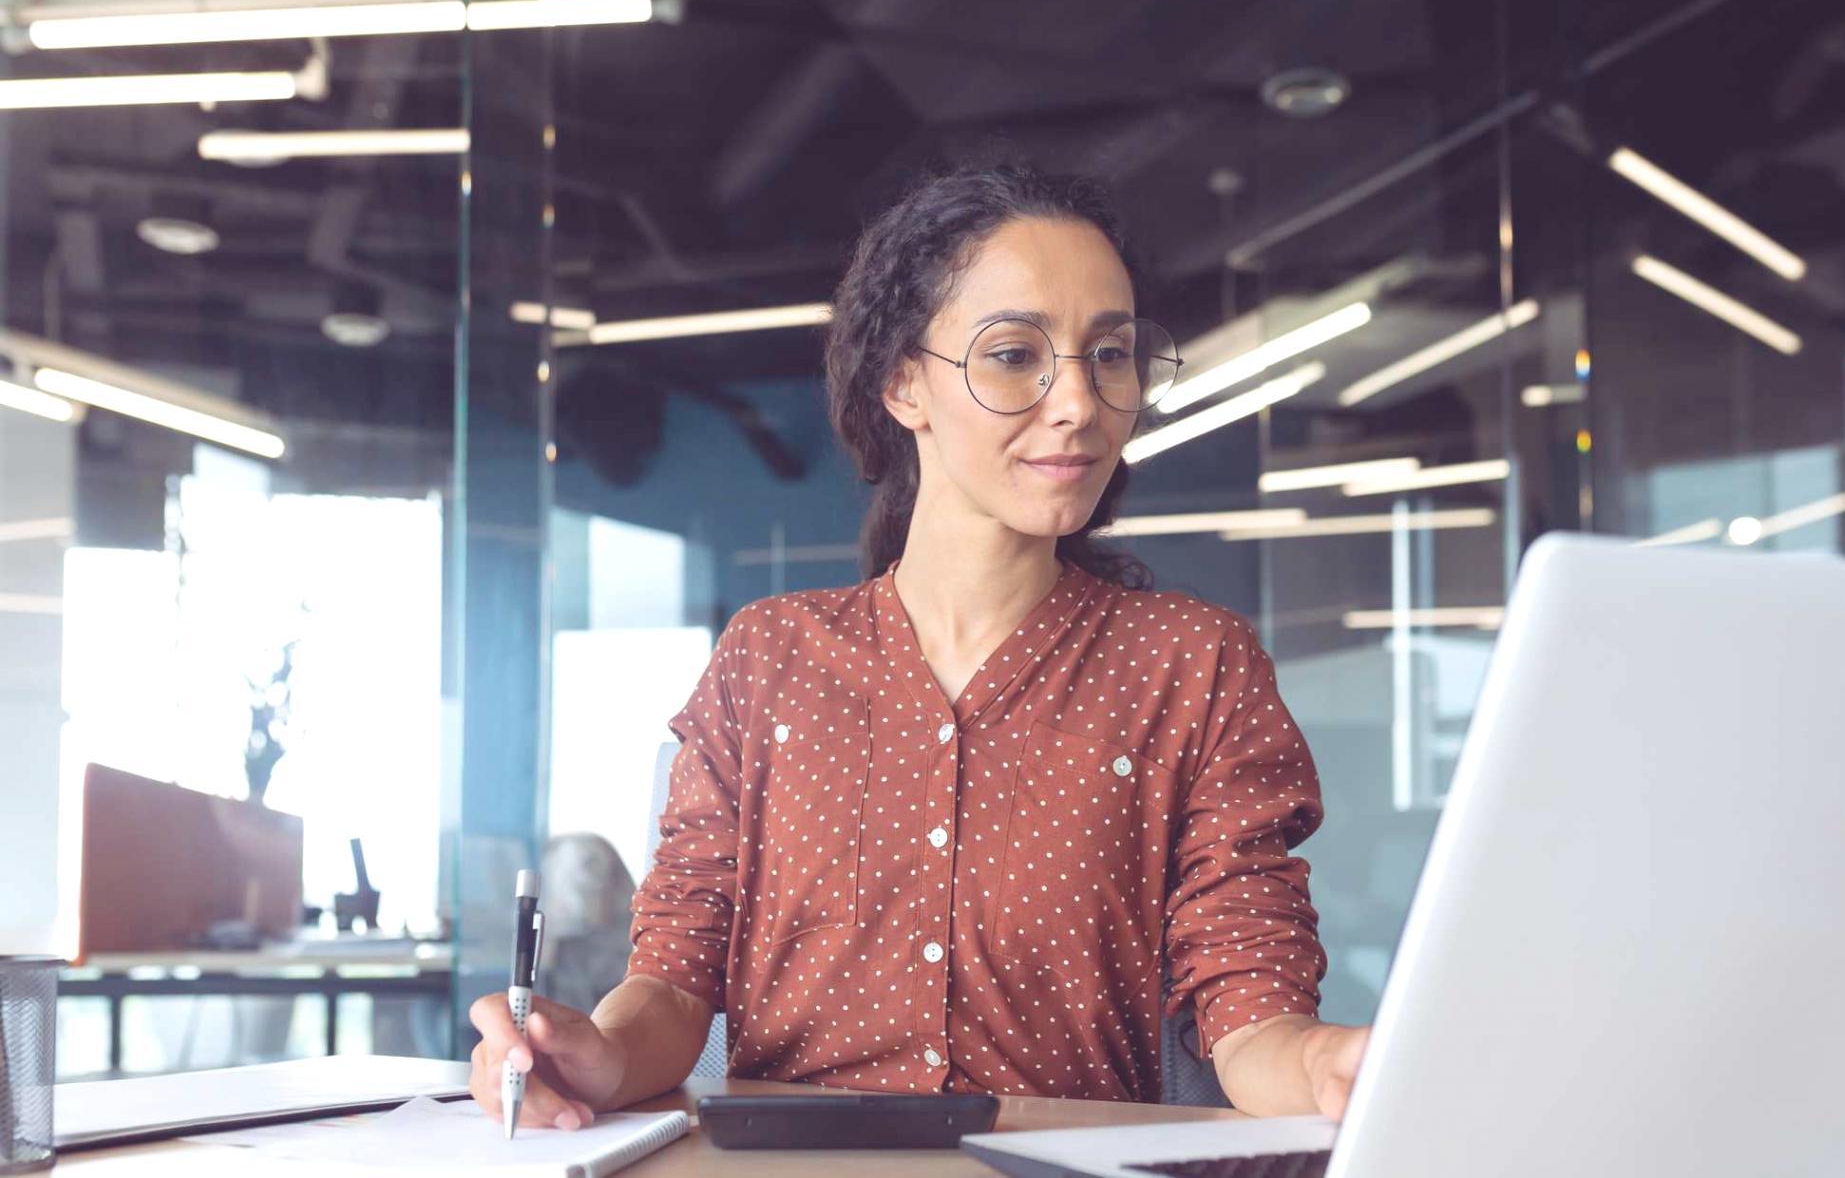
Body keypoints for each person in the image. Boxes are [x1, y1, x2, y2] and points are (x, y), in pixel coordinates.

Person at [469, 163, 1369, 1128]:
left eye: (1109, 354)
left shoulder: (1192, 667)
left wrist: (1328, 1064)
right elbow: (676, 984)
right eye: (1016, 353)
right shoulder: (770, 660)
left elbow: (1250, 1004)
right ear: (905, 382)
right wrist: (595, 1056)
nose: (1079, 401)